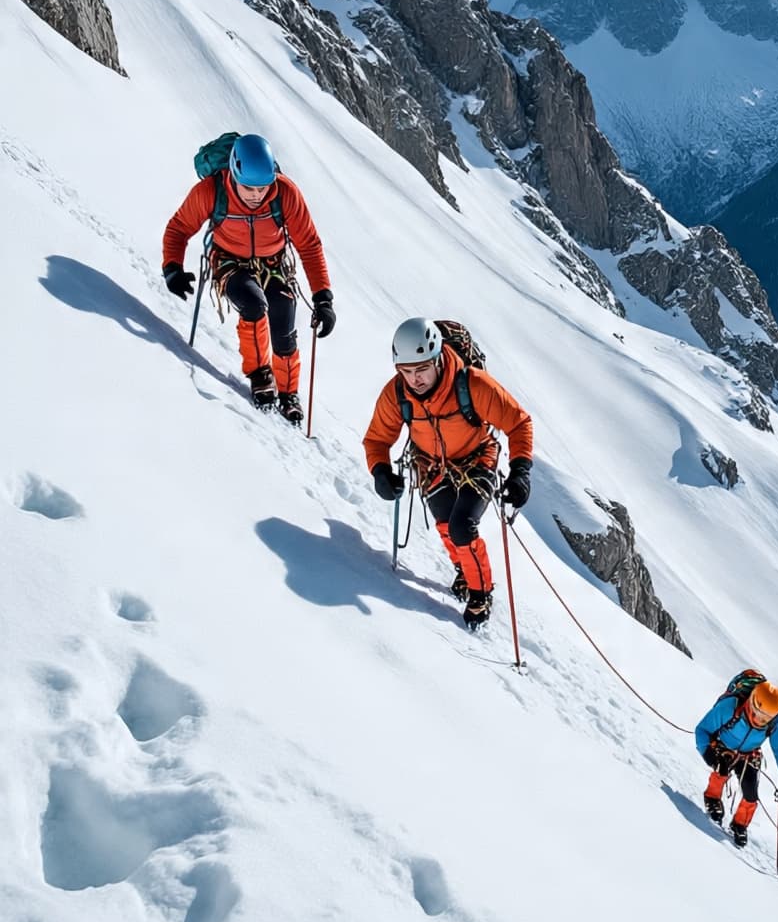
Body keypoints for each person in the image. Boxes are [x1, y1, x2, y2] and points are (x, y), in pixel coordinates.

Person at [362, 318, 534, 630]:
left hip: (479, 457)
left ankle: (481, 593)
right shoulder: (397, 394)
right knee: (445, 524)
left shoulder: (473, 385)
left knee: (461, 526)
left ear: (439, 357)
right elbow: (376, 439)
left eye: (422, 369)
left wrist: (521, 470)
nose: (415, 380)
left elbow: (518, 422)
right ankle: (464, 570)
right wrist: (380, 470)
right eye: (407, 371)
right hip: (431, 464)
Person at [162, 133, 336, 422]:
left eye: (263, 188)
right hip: (229, 260)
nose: (256, 195)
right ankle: (260, 375)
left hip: (275, 262)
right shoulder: (211, 191)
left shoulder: (285, 193)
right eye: (248, 188)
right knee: (253, 305)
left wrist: (323, 297)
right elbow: (179, 228)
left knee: (283, 322)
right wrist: (172, 268)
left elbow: (309, 244)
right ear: (233, 172)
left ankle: (288, 392)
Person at [695, 675, 778, 847]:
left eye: (766, 719)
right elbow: (702, 730)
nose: (760, 721)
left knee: (751, 792)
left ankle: (740, 825)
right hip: (723, 744)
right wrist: (710, 756)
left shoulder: (774, 721)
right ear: (752, 702)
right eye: (759, 714)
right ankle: (712, 799)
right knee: (721, 769)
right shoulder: (731, 707)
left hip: (749, 753)